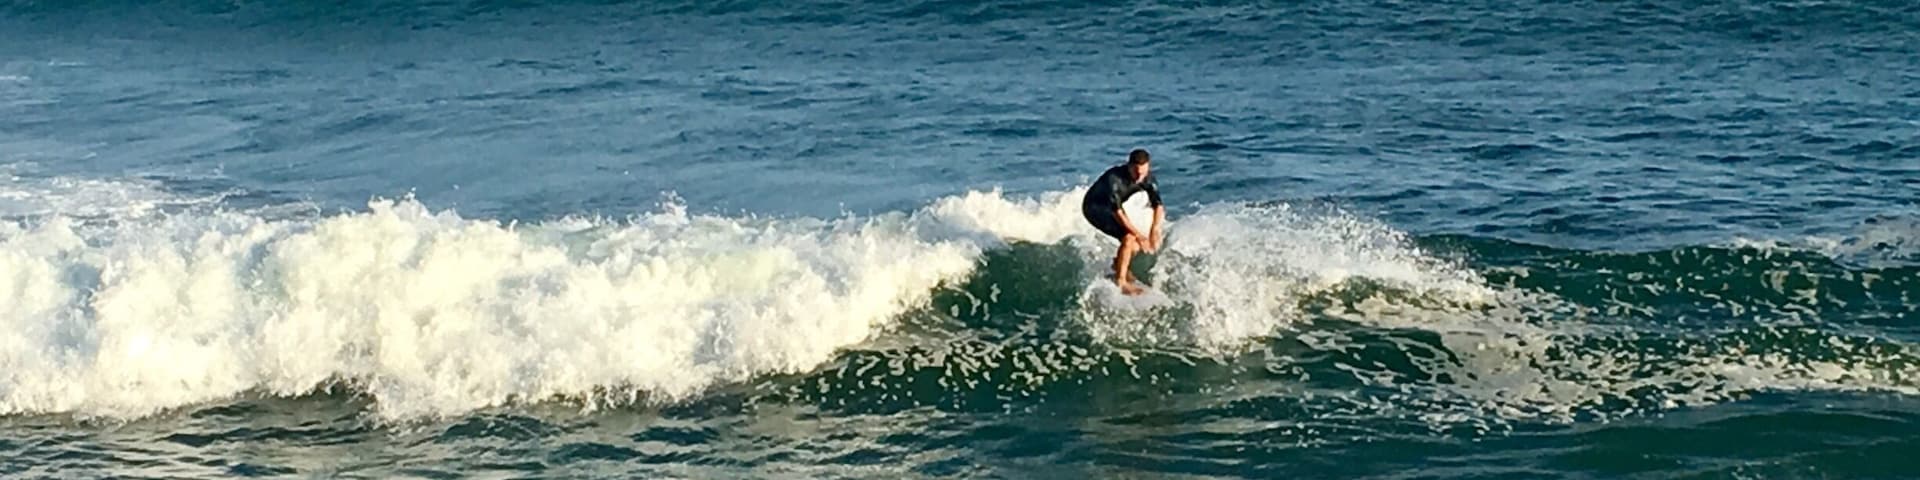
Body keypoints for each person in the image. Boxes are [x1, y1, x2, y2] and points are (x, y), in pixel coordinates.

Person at [1081, 148, 1165, 295]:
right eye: (1136, 172)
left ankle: (1118, 265)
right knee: (1129, 237)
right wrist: (1139, 235)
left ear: (1148, 166)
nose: (1139, 176)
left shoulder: (1147, 177)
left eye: (1143, 172)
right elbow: (1118, 213)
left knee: (1134, 245)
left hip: (1112, 209)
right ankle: (1121, 281)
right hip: (1094, 208)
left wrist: (1154, 230)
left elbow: (1158, 205)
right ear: (1129, 166)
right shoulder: (1114, 179)